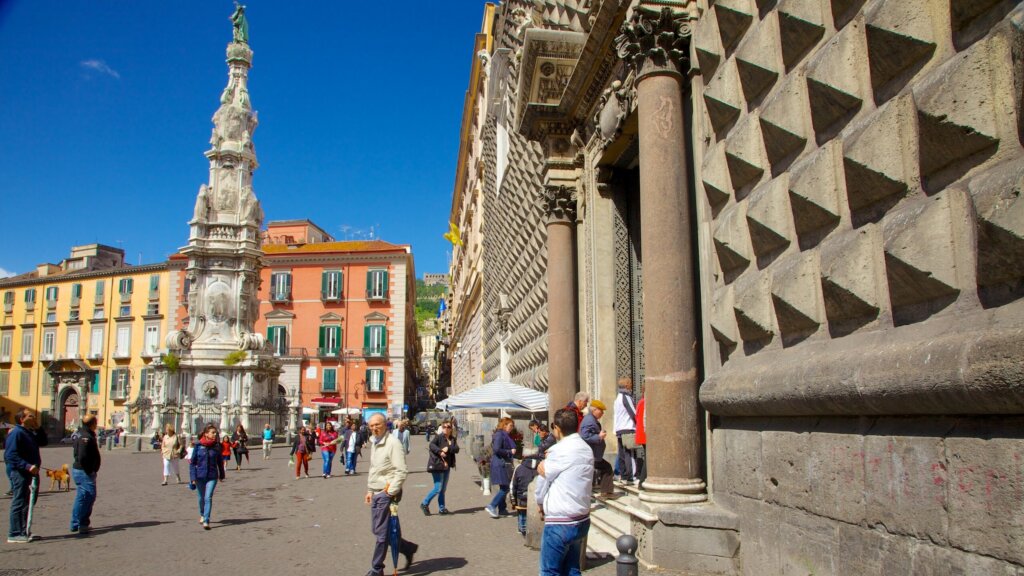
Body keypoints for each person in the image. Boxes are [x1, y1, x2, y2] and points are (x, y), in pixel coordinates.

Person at [536, 408, 594, 576]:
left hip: (560, 520)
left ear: (557, 428)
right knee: (572, 569)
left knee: (550, 571)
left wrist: (540, 502)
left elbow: (543, 480)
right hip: (581, 517)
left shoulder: (558, 451)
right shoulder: (586, 448)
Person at [364, 413, 418, 576]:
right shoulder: (375, 442)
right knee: (380, 530)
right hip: (377, 491)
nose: (374, 428)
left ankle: (377, 569)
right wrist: (370, 490)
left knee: (380, 533)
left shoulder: (393, 443)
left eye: (377, 424)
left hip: (386, 492)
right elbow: (375, 469)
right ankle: (407, 548)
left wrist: (389, 492)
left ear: (385, 425)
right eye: (371, 425)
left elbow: (401, 471)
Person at [5, 408, 47, 543]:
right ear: (22, 419)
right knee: (20, 502)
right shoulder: (16, 433)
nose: (34, 417)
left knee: (28, 502)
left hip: (31, 473)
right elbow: (10, 455)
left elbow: (43, 442)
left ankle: (24, 530)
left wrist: (38, 428)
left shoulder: (28, 432)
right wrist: (28, 466)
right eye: (30, 416)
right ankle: (15, 533)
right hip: (21, 473)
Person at [189, 424, 226, 529]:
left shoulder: (217, 446)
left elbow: (220, 462)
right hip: (200, 475)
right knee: (201, 498)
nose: (215, 434)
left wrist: (222, 475)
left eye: (215, 433)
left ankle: (206, 520)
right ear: (206, 434)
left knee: (208, 497)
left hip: (212, 475)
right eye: (212, 432)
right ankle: (202, 513)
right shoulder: (198, 446)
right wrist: (192, 478)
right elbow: (192, 463)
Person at [70, 414, 101, 534]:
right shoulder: (85, 437)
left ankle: (75, 523)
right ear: (92, 424)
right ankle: (82, 523)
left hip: (81, 470)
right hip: (84, 472)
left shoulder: (81, 433)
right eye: (95, 423)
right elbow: (83, 456)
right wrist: (90, 470)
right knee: (89, 496)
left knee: (81, 497)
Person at [420, 420, 458, 515]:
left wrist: (449, 448)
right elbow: (431, 445)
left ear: (451, 429)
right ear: (442, 427)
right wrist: (440, 451)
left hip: (447, 466)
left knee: (443, 489)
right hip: (438, 465)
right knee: (438, 488)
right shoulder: (438, 437)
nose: (446, 428)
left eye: (448, 427)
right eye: (444, 426)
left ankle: (442, 509)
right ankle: (424, 503)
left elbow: (456, 449)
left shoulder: (452, 439)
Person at [579, 400, 614, 495]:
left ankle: (606, 492)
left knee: (605, 468)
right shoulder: (589, 420)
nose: (602, 413)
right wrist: (599, 437)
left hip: (593, 453)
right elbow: (584, 436)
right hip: (591, 454)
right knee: (607, 468)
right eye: (601, 411)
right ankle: (606, 492)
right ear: (594, 410)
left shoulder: (591, 419)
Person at [484, 417, 516, 519]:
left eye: (512, 426)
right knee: (505, 487)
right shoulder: (499, 435)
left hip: (501, 463)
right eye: (510, 425)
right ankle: (492, 505)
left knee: (503, 486)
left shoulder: (504, 435)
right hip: (499, 464)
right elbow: (496, 449)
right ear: (504, 425)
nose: (511, 428)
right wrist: (509, 452)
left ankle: (502, 509)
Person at [613, 377, 638, 484]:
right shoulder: (626, 397)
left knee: (622, 453)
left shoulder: (617, 398)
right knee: (629, 453)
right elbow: (633, 413)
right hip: (628, 428)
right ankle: (631, 477)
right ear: (627, 385)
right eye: (630, 383)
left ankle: (623, 476)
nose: (631, 385)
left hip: (619, 428)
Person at [635, 393, 647, 489]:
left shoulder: (640, 402)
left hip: (641, 434)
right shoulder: (645, 402)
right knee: (648, 459)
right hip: (645, 434)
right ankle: (642, 482)